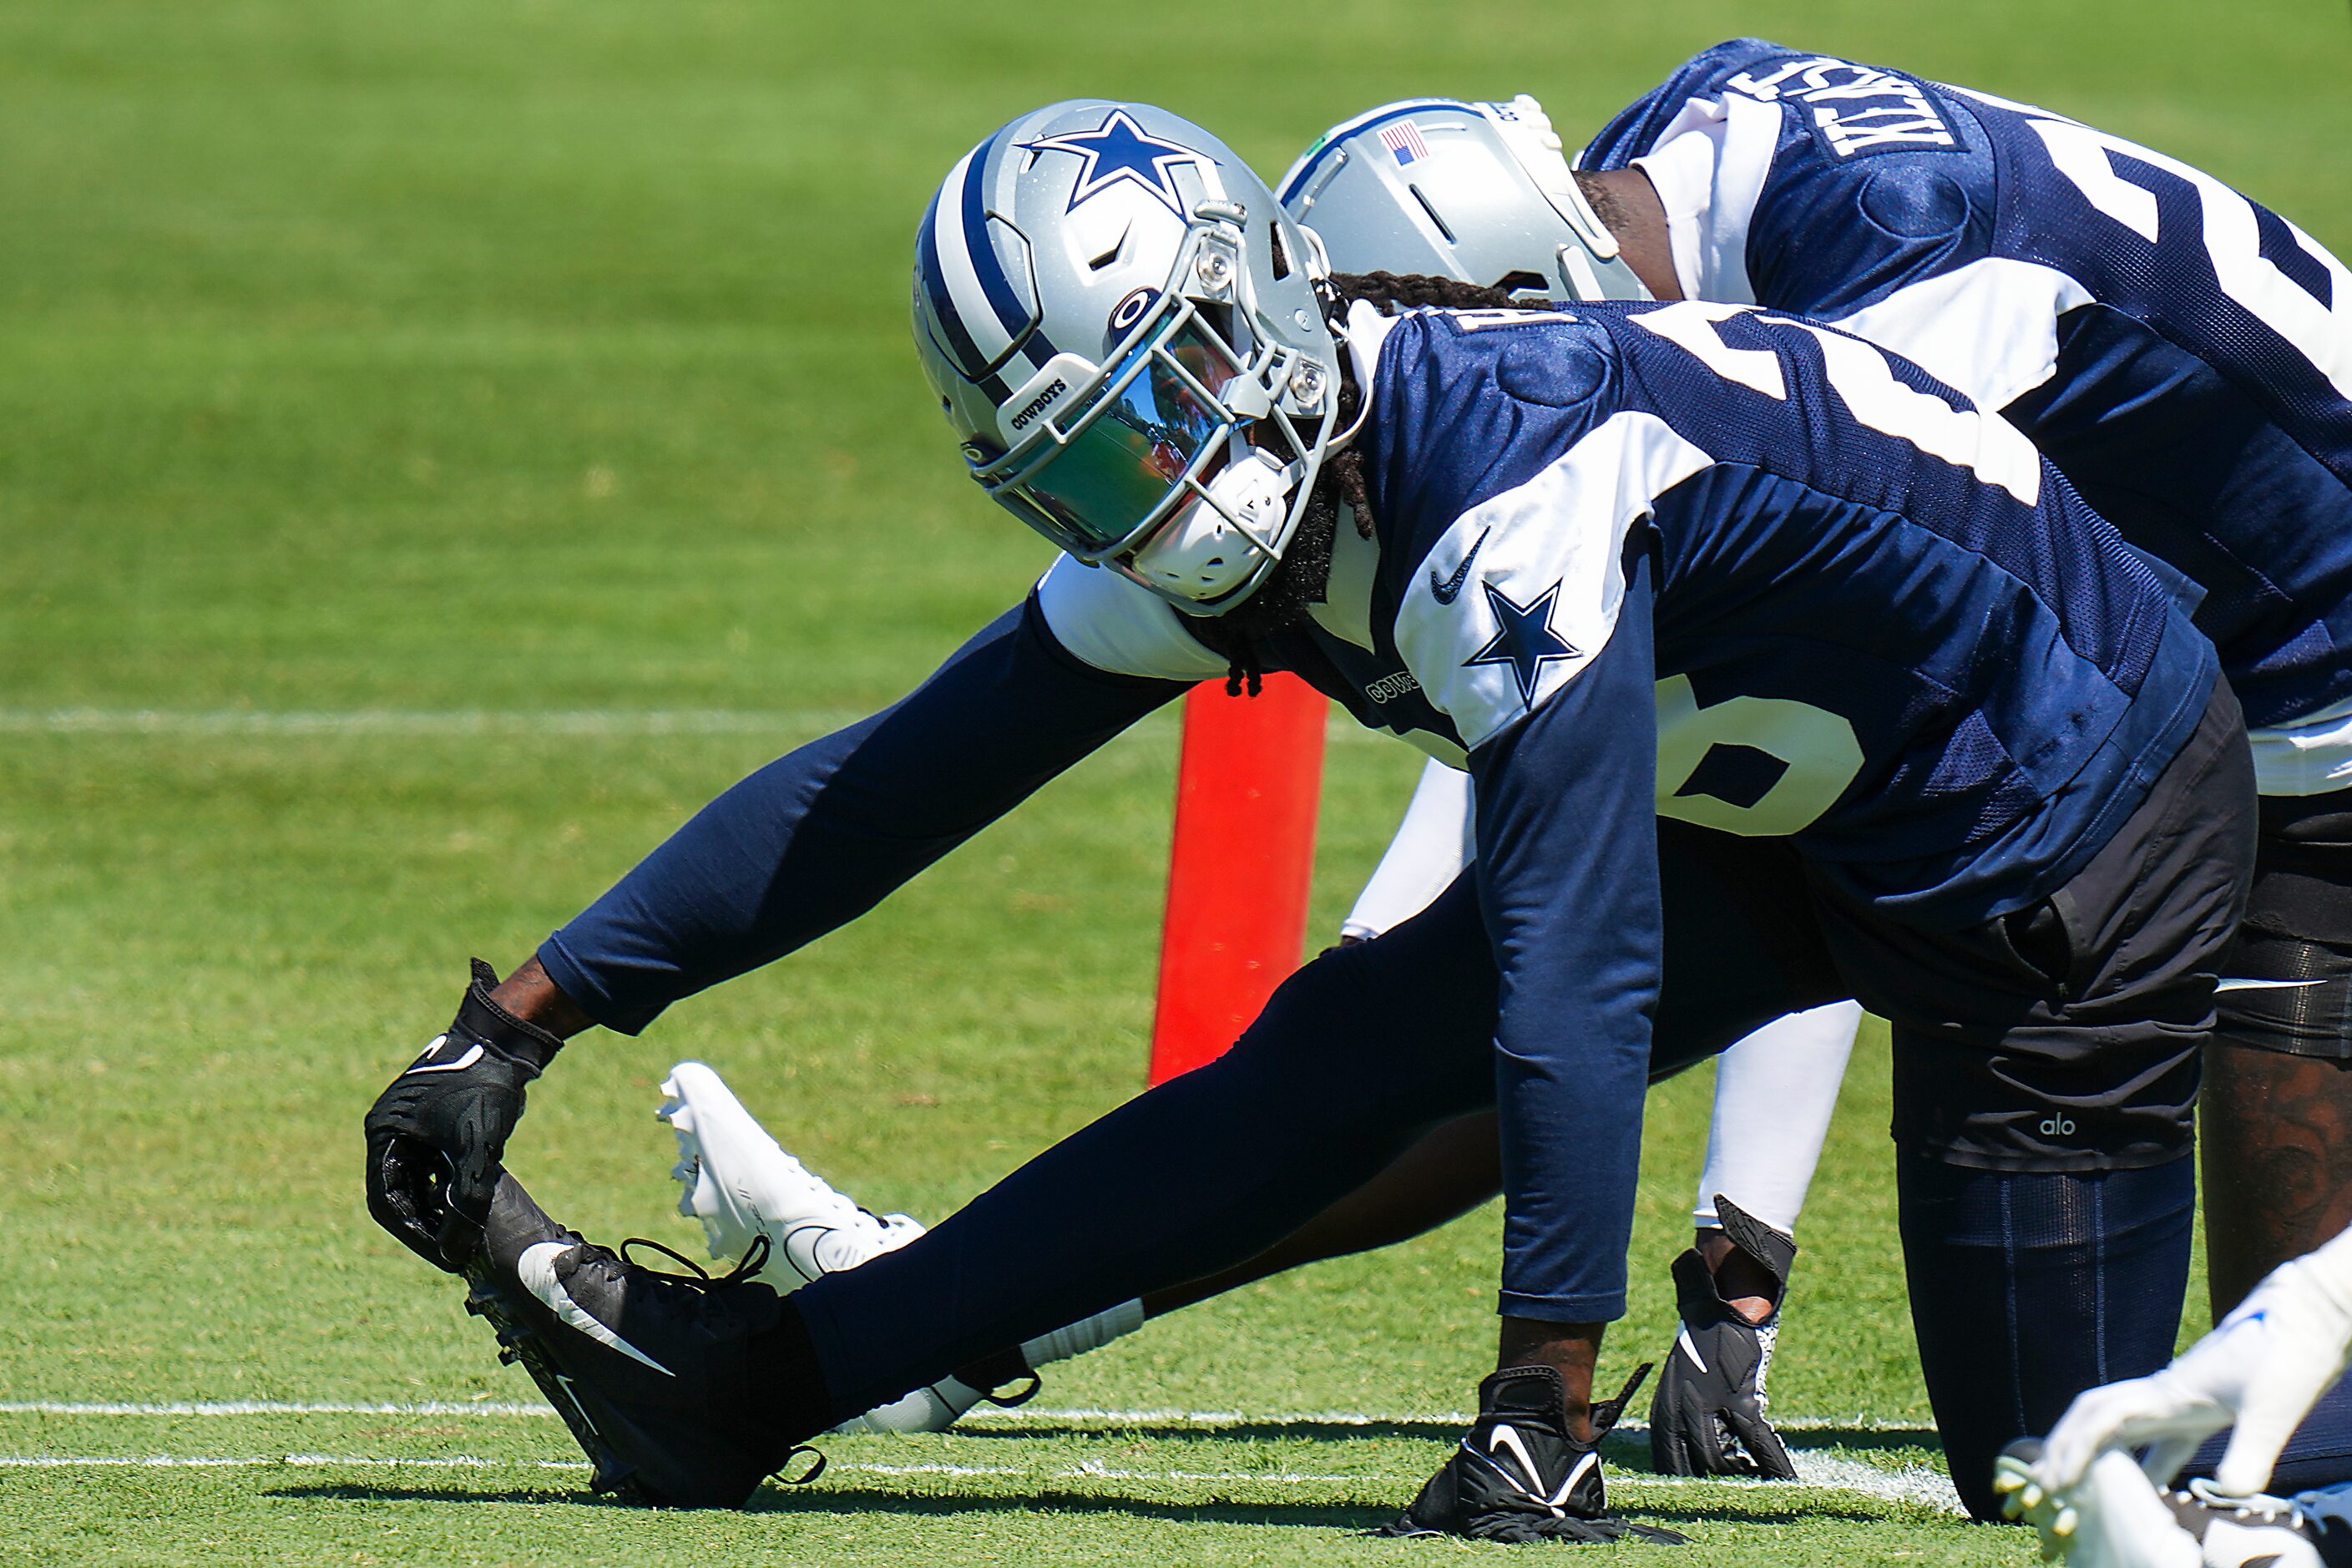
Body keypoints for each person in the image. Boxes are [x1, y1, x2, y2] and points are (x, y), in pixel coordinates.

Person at [364, 98, 2252, 1534]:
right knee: (1330, 1059)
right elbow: (883, 793)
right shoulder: (1235, 489)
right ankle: (756, 1384)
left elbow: (1574, 974)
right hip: (1805, 797)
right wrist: (517, 1019)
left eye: (1166, 395)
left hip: (2067, 818)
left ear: (1259, 305)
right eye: (1088, 457)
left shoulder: (1503, 489)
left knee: (2054, 1483)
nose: (1157, 482)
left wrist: (1542, 1392)